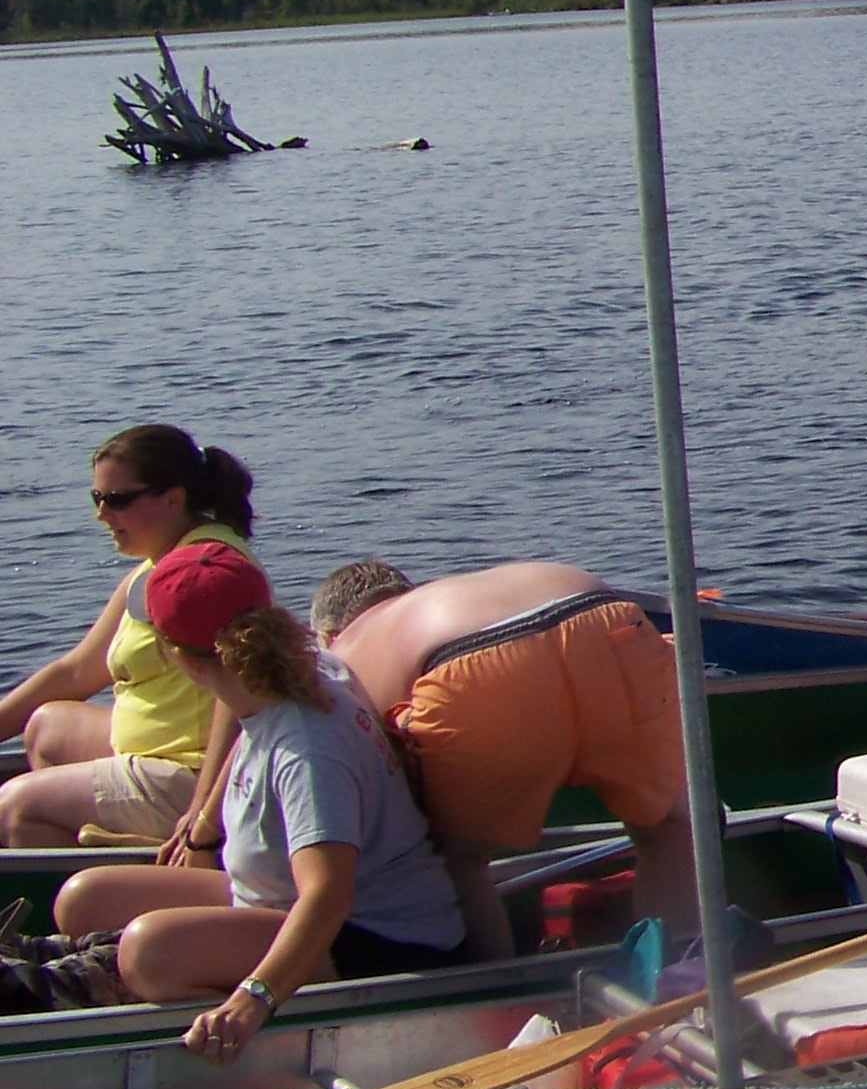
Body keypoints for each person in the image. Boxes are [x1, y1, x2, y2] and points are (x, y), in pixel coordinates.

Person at [8, 542, 465, 1037]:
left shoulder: (308, 751)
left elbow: (328, 896)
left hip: (372, 937)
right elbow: (234, 707)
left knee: (149, 952)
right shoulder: (293, 670)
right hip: (275, 898)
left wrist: (255, 998)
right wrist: (202, 829)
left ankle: (94, 984)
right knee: (83, 898)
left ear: (182, 660)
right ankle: (89, 964)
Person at [316, 559, 692, 955]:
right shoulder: (441, 598)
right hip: (604, 617)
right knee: (666, 829)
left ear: (327, 634)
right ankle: (683, 967)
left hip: (471, 662)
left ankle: (498, 981)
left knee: (460, 864)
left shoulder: (343, 653)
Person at [0, 424, 256, 851]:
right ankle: (112, 846)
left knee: (12, 806)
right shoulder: (158, 563)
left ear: (173, 498)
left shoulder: (204, 573)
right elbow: (76, 672)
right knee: (46, 726)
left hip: (193, 774)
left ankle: (130, 877)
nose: (102, 514)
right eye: (97, 498)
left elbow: (240, 695)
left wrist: (203, 815)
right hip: (155, 751)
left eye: (117, 500)